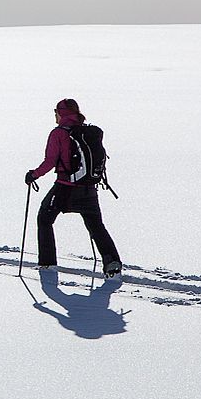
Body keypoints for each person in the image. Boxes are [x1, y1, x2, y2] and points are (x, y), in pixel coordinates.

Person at [25, 98, 122, 276]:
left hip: (65, 188)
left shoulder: (59, 133)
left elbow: (50, 161)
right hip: (89, 188)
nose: (54, 114)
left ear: (62, 113)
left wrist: (33, 175)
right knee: (96, 225)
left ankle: (47, 264)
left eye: (56, 111)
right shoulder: (87, 132)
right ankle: (112, 262)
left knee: (44, 219)